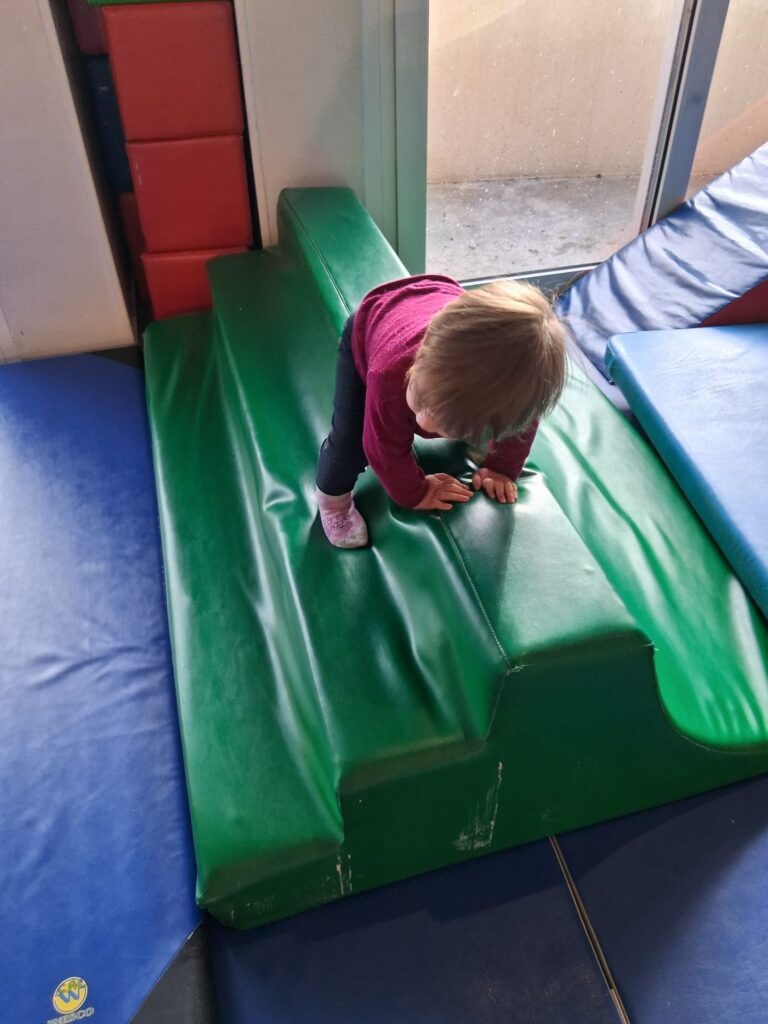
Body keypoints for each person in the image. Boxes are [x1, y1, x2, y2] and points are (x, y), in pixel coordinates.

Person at [315, 275, 567, 548]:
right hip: (371, 326)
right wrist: (415, 492)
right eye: (422, 400)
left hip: (440, 301)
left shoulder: (514, 401)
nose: (422, 420)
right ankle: (332, 502)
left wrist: (502, 469)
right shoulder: (388, 374)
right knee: (349, 441)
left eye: (442, 424)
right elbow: (382, 447)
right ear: (421, 359)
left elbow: (521, 427)